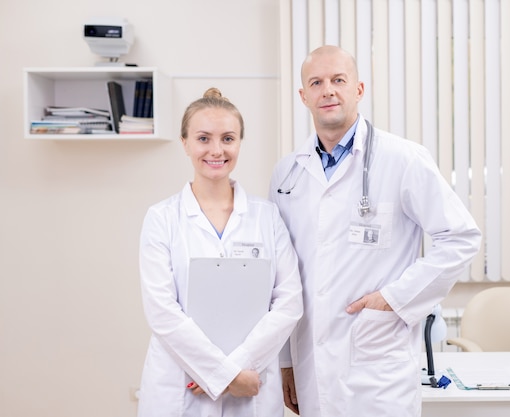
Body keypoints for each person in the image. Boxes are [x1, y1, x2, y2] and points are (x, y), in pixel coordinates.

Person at [269, 45, 482, 417]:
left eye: (338, 80)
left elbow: (461, 238)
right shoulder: (287, 174)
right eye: (316, 82)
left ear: (359, 89)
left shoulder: (403, 159)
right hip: (311, 364)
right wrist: (285, 360)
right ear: (304, 96)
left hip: (377, 365)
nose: (328, 90)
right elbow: (283, 273)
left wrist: (394, 298)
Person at [138, 87, 303, 417]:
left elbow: (289, 302)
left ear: (240, 142)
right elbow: (162, 313)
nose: (216, 149)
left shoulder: (267, 217)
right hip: (181, 386)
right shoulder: (162, 219)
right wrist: (225, 375)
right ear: (185, 142)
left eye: (228, 138)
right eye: (203, 138)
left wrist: (233, 371)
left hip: (251, 381)